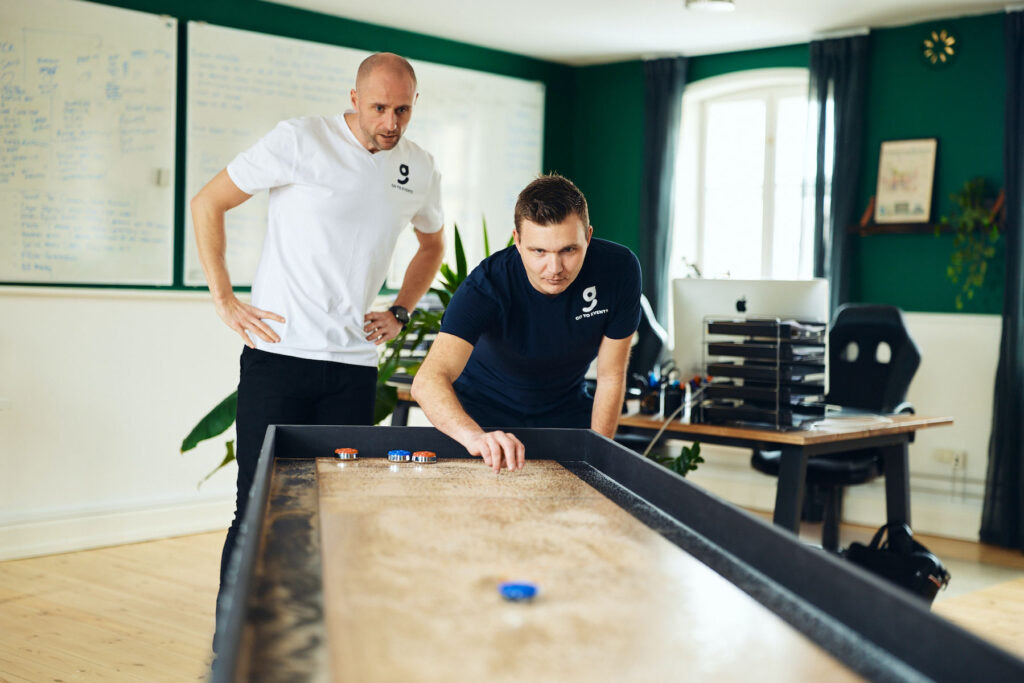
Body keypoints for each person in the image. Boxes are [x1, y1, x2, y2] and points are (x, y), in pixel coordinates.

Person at [190, 52, 444, 646]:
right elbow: (209, 202)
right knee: (257, 507)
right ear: (353, 98)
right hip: (279, 359)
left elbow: (430, 245)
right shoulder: (300, 140)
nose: (391, 121)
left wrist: (401, 310)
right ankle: (235, 647)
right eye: (379, 107)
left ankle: (314, 643)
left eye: (402, 109)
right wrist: (224, 298)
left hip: (353, 369)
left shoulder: (419, 167)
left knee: (335, 515)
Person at [411, 174, 640, 472]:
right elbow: (428, 381)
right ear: (517, 241)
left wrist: (597, 458)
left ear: (589, 237)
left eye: (569, 250)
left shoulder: (619, 270)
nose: (554, 268)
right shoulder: (487, 285)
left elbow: (611, 375)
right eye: (539, 251)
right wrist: (476, 437)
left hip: (564, 415)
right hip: (482, 420)